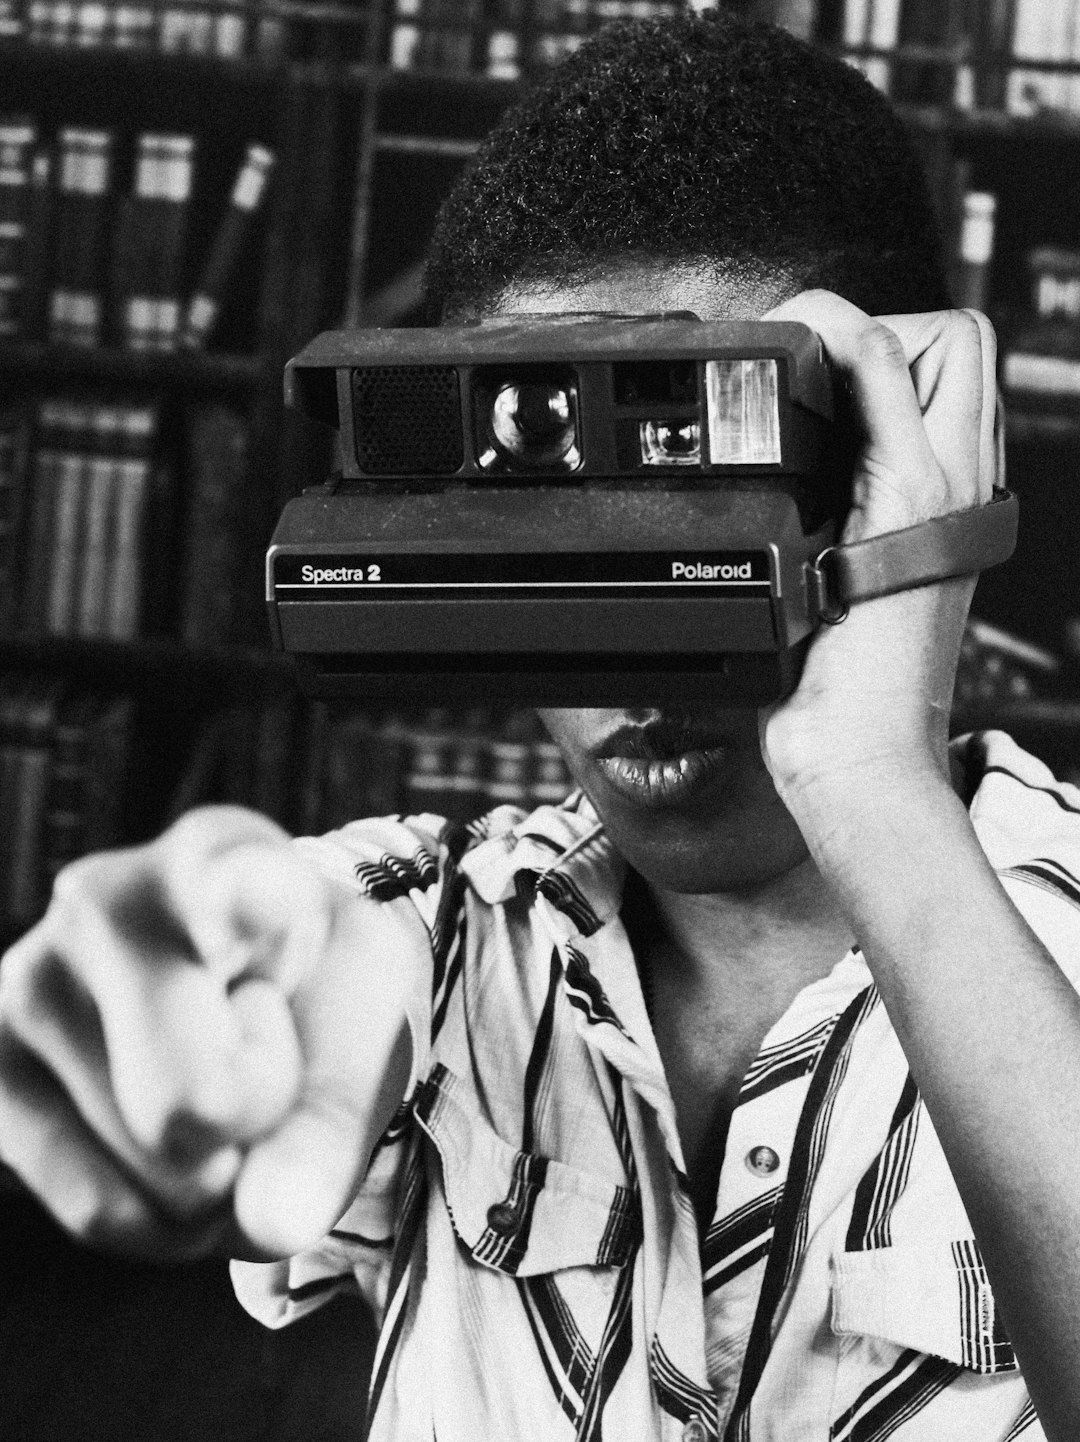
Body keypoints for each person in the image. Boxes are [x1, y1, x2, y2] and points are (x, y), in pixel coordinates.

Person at [1, 11, 1078, 1441]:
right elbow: (317, 955)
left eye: (684, 469)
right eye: (548, 510)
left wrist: (873, 778)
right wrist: (203, 991)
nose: (623, 619)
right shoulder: (447, 940)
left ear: (906, 459)